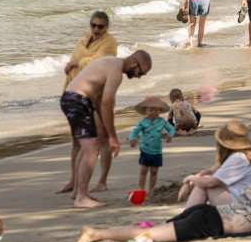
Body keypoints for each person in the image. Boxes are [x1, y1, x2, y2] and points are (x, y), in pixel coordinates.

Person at [76, 164, 251, 242]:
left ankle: (101, 233)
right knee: (151, 234)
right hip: (208, 223)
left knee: (157, 230)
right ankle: (97, 233)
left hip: (207, 212)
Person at [61, 52, 153, 208]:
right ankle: (81, 198)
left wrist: (105, 126)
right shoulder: (116, 72)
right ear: (134, 62)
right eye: (141, 73)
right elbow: (107, 102)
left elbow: (98, 100)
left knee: (88, 147)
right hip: (77, 101)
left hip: (74, 99)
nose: (138, 77)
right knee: (91, 150)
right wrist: (112, 137)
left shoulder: (110, 62)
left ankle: (78, 192)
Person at [58, 12, 120, 196]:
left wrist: (77, 63)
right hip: (76, 93)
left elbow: (99, 63)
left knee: (102, 138)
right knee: (77, 140)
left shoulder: (110, 42)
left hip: (97, 94)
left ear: (106, 27)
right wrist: (71, 64)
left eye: (101, 26)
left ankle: (102, 181)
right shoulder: (84, 39)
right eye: (93, 25)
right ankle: (73, 180)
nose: (96, 29)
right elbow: (75, 59)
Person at [128, 96, 174, 201]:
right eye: (151, 109)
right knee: (143, 171)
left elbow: (171, 129)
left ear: (160, 111)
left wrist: (169, 135)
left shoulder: (162, 122)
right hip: (145, 150)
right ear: (145, 111)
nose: (153, 112)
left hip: (157, 151)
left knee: (154, 171)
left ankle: (151, 190)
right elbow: (135, 132)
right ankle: (141, 190)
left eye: (156, 110)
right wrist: (132, 139)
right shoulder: (143, 122)